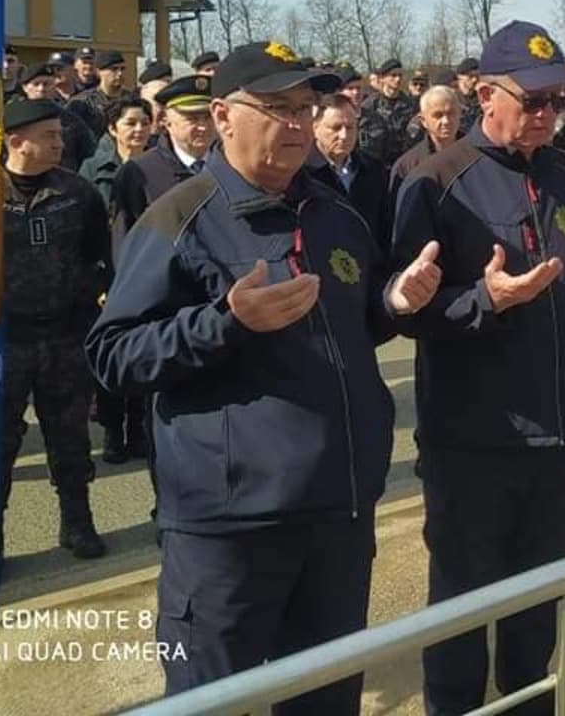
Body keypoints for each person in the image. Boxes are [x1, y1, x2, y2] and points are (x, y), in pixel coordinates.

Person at [87, 41, 442, 714]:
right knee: (211, 704)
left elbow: (356, 321)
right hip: (229, 533)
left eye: (306, 108)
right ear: (223, 114)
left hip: (337, 517)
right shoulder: (181, 216)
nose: (298, 125)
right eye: (277, 108)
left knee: (325, 700)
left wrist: (396, 301)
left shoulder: (336, 215)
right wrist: (224, 322)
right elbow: (113, 355)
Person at [392, 20, 565, 716]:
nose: (543, 116)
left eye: (553, 101)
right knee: (464, 606)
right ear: (482, 93)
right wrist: (484, 301)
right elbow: (404, 311)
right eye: (528, 101)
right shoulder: (435, 183)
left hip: (559, 435)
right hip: (473, 441)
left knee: (539, 604)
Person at [0, 99, 112, 576]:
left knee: (69, 437)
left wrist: (83, 307)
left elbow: (98, 258)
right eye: (49, 136)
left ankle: (77, 521)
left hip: (65, 335)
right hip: (2, 341)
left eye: (60, 135)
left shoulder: (79, 193)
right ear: (15, 141)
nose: (60, 143)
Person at [79, 96, 155, 464]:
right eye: (130, 123)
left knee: (142, 350)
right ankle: (112, 428)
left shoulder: (159, 168)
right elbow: (83, 228)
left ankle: (138, 426)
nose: (138, 130)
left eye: (144, 122)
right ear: (113, 128)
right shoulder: (93, 169)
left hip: (146, 271)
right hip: (106, 274)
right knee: (110, 354)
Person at [109, 75, 216, 252]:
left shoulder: (233, 165)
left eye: (208, 117)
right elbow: (124, 244)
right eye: (192, 119)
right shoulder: (140, 173)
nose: (203, 127)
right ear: (166, 121)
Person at [306, 94, 393, 255]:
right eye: (336, 128)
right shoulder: (303, 173)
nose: (344, 135)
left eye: (350, 127)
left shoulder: (373, 169)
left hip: (369, 266)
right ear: (315, 128)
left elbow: (384, 226)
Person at [19, 62, 99, 173]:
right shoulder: (16, 119)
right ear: (25, 88)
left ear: (54, 86)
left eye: (47, 84)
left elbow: (90, 154)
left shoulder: (70, 120)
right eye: (36, 84)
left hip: (63, 182)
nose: (41, 89)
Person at [390, 85, 462, 200]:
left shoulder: (476, 156)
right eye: (438, 115)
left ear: (460, 113)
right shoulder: (407, 166)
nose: (446, 121)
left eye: (451, 113)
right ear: (423, 120)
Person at [359, 57, 418, 164]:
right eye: (393, 75)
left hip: (404, 159)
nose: (398, 79)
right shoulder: (370, 105)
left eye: (400, 75)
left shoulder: (410, 104)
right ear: (382, 78)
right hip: (378, 161)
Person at [70, 49, 132, 140]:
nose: (120, 74)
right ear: (99, 71)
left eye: (122, 69)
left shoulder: (132, 99)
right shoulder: (82, 102)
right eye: (114, 69)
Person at [455, 56, 482, 130]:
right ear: (460, 76)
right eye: (471, 76)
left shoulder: (481, 98)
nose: (474, 80)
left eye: (477, 76)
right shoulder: (453, 99)